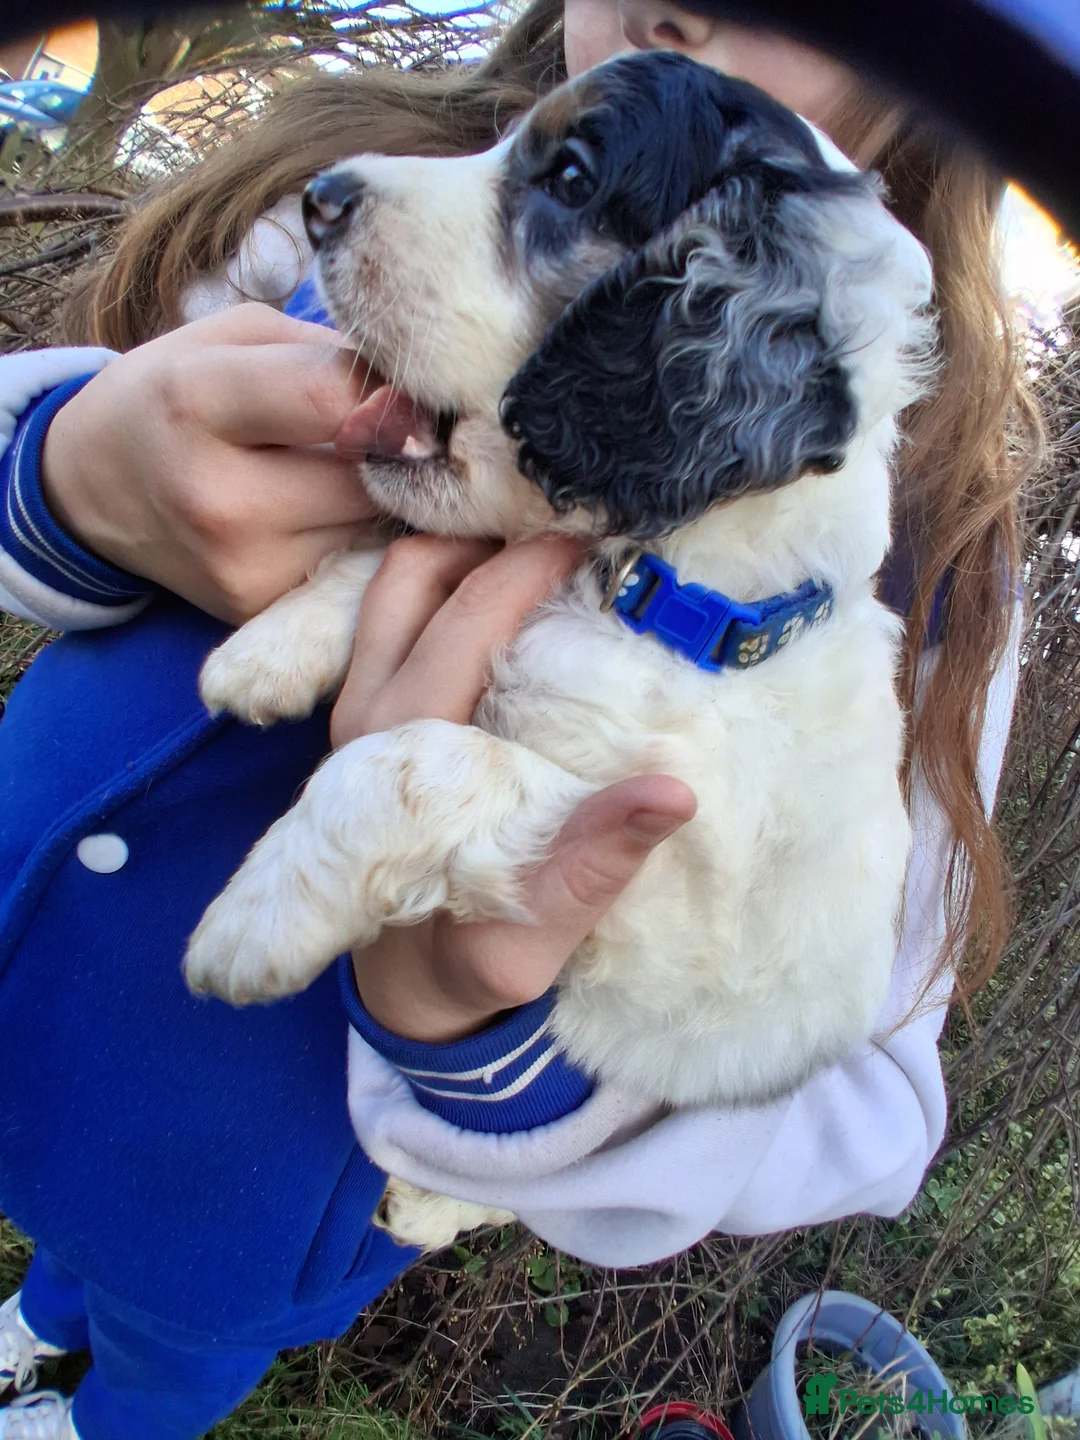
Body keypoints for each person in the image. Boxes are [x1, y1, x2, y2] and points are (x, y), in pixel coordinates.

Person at [0, 1, 1036, 1436]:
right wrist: (63, 472)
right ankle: (31, 1322)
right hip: (23, 969)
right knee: (55, 1267)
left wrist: (492, 1038)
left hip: (237, 1196)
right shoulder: (340, 197)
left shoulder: (930, 562)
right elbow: (87, 402)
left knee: (167, 1349)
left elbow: (867, 1109)